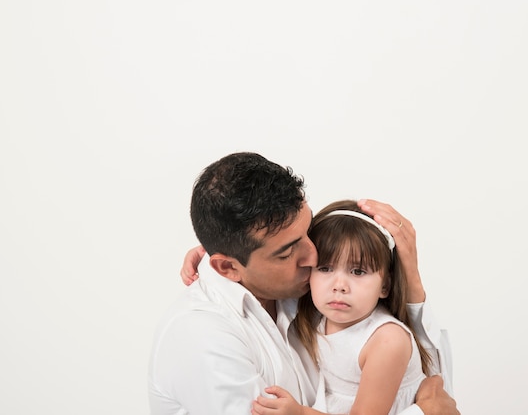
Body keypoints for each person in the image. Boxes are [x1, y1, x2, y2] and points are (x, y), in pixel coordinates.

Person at [149, 152, 458, 415]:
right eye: (287, 252)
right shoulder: (203, 340)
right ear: (228, 267)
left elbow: (428, 379)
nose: (313, 256)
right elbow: (434, 401)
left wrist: (410, 275)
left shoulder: (313, 294)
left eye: (308, 231)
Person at [251, 200, 433, 415]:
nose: (339, 286)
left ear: (385, 285)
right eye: (325, 268)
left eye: (357, 271)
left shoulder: (386, 341)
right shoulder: (315, 313)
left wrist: (299, 414)